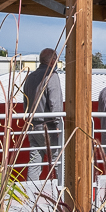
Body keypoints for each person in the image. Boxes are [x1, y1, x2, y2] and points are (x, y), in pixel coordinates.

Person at [23, 48, 63, 181]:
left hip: (32, 125)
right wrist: (58, 124)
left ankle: (30, 195)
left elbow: (26, 103)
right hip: (48, 127)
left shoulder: (30, 77)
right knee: (58, 161)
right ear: (53, 61)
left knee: (34, 163)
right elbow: (55, 103)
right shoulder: (52, 75)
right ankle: (61, 194)